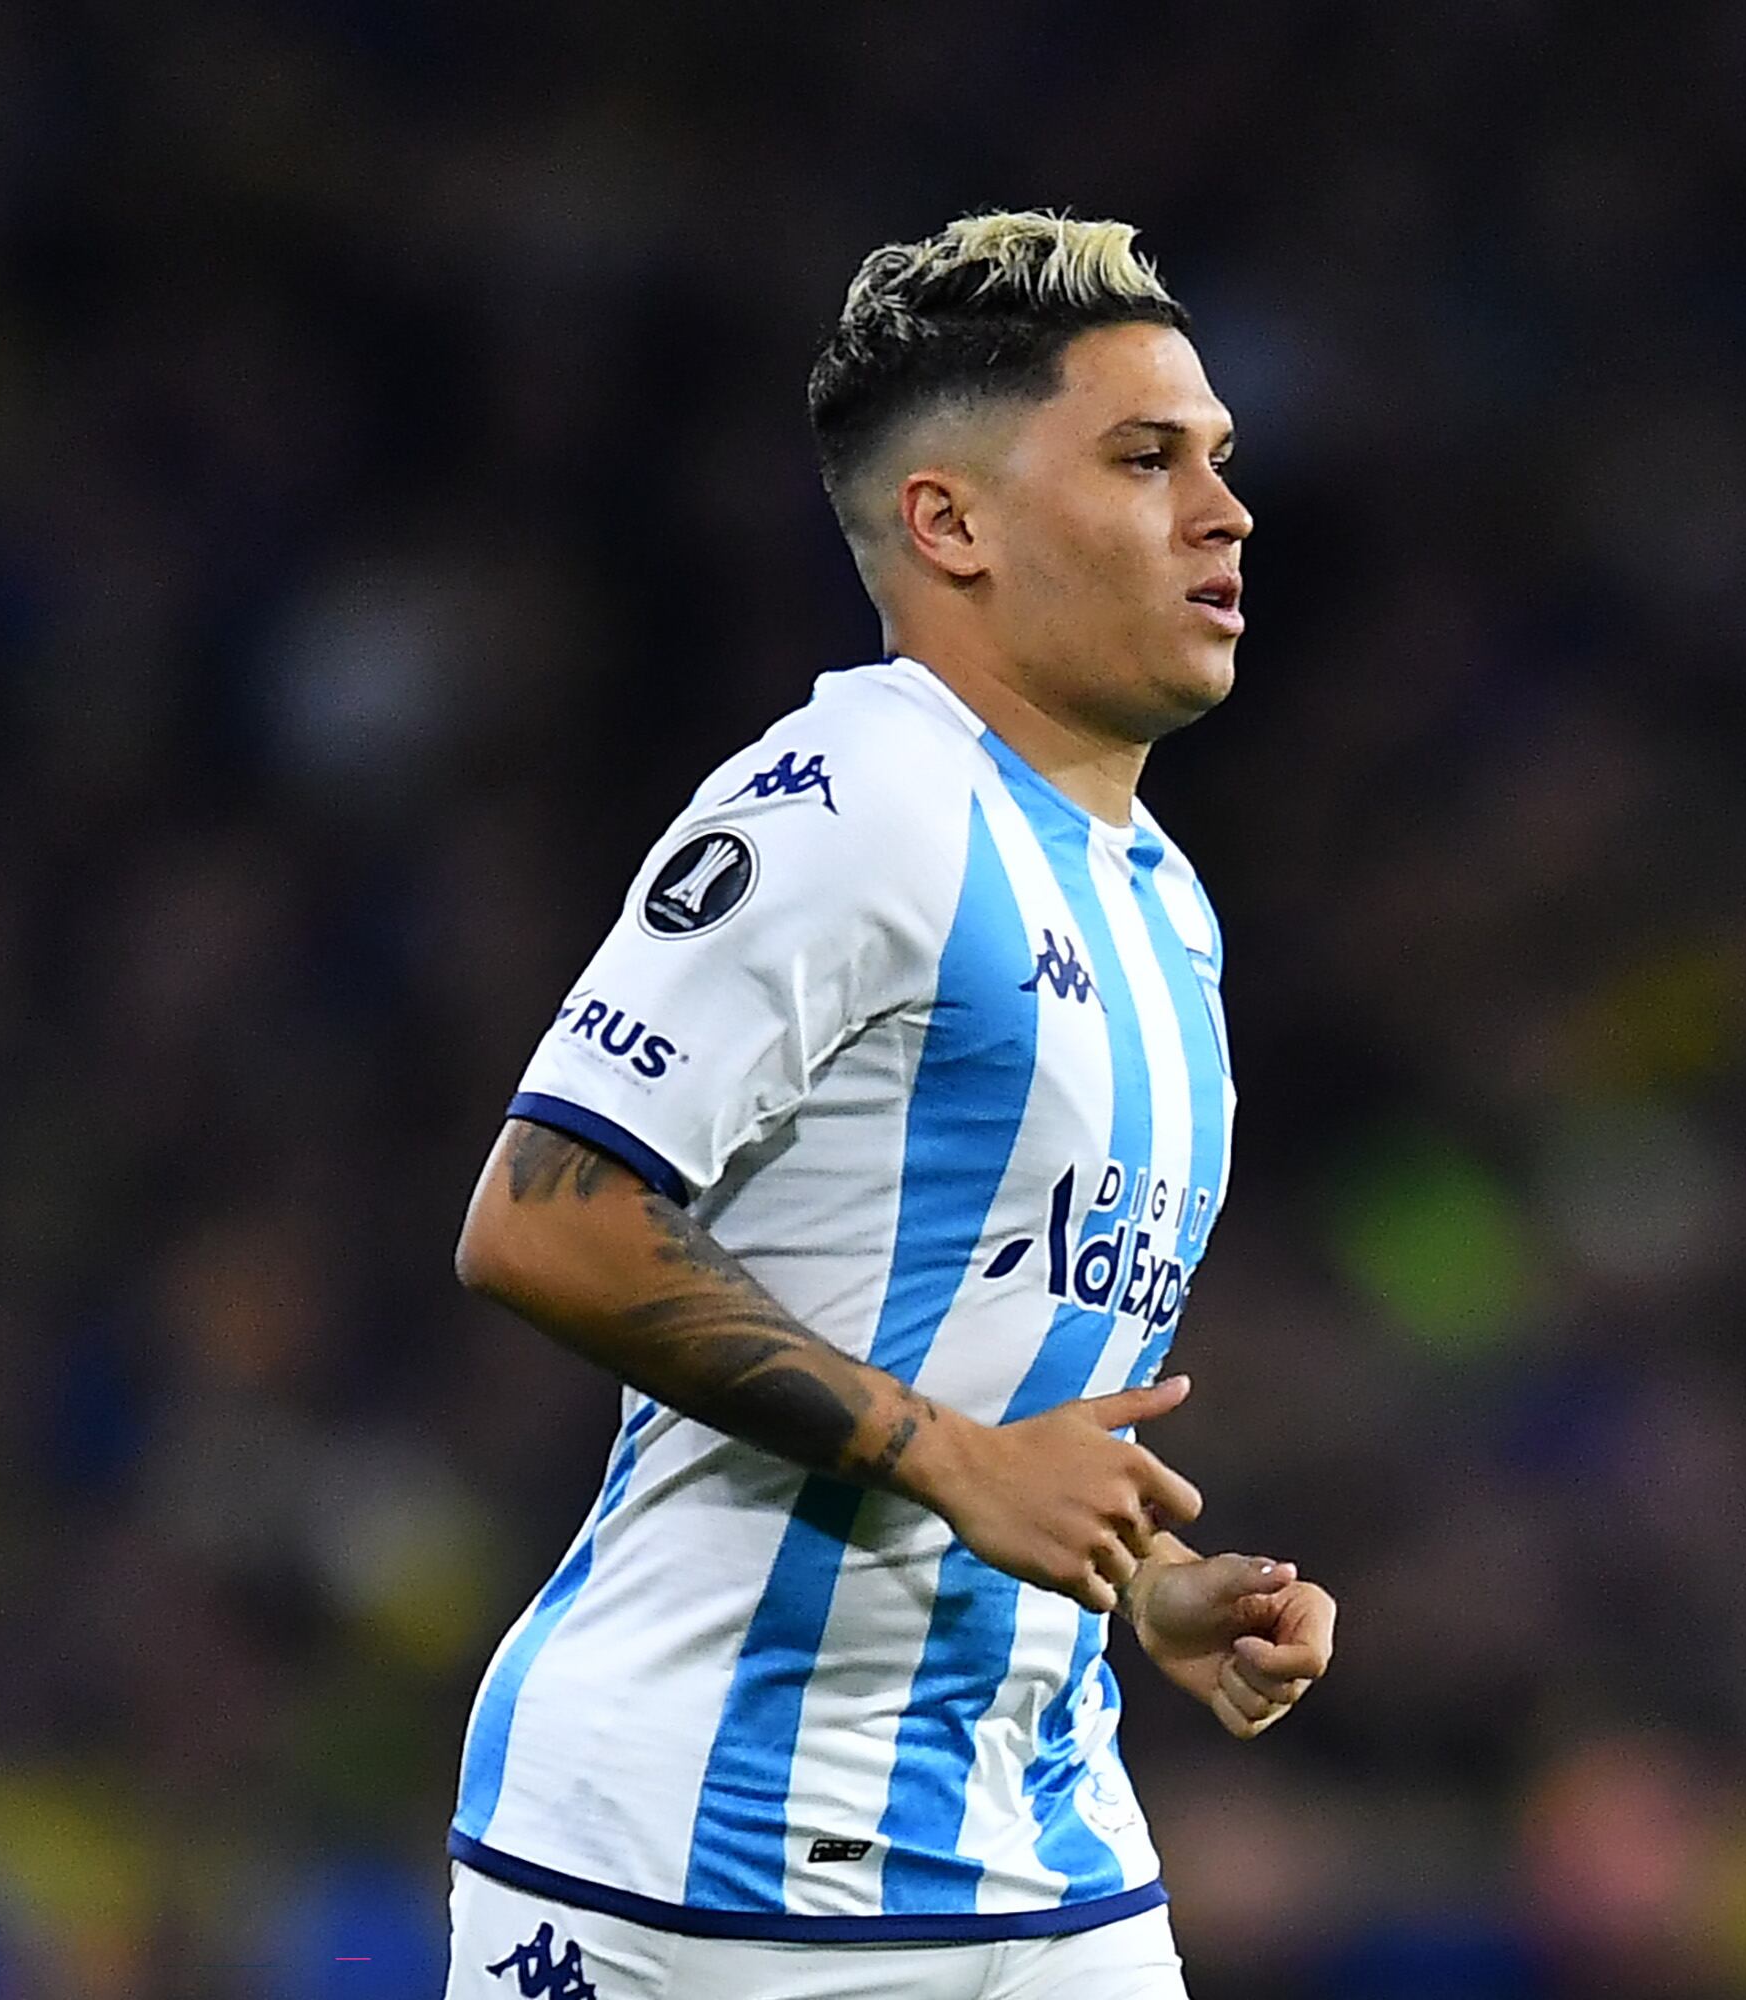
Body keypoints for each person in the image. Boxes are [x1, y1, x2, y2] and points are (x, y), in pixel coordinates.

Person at [440, 211, 1336, 2000]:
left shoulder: (1161, 897)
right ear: (950, 524)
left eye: (1219, 457)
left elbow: (978, 1342)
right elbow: (538, 1219)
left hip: (1036, 1843)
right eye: (1145, 459)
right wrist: (958, 1465)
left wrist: (1140, 1579)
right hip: (701, 1867)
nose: (1224, 512)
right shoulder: (857, 802)